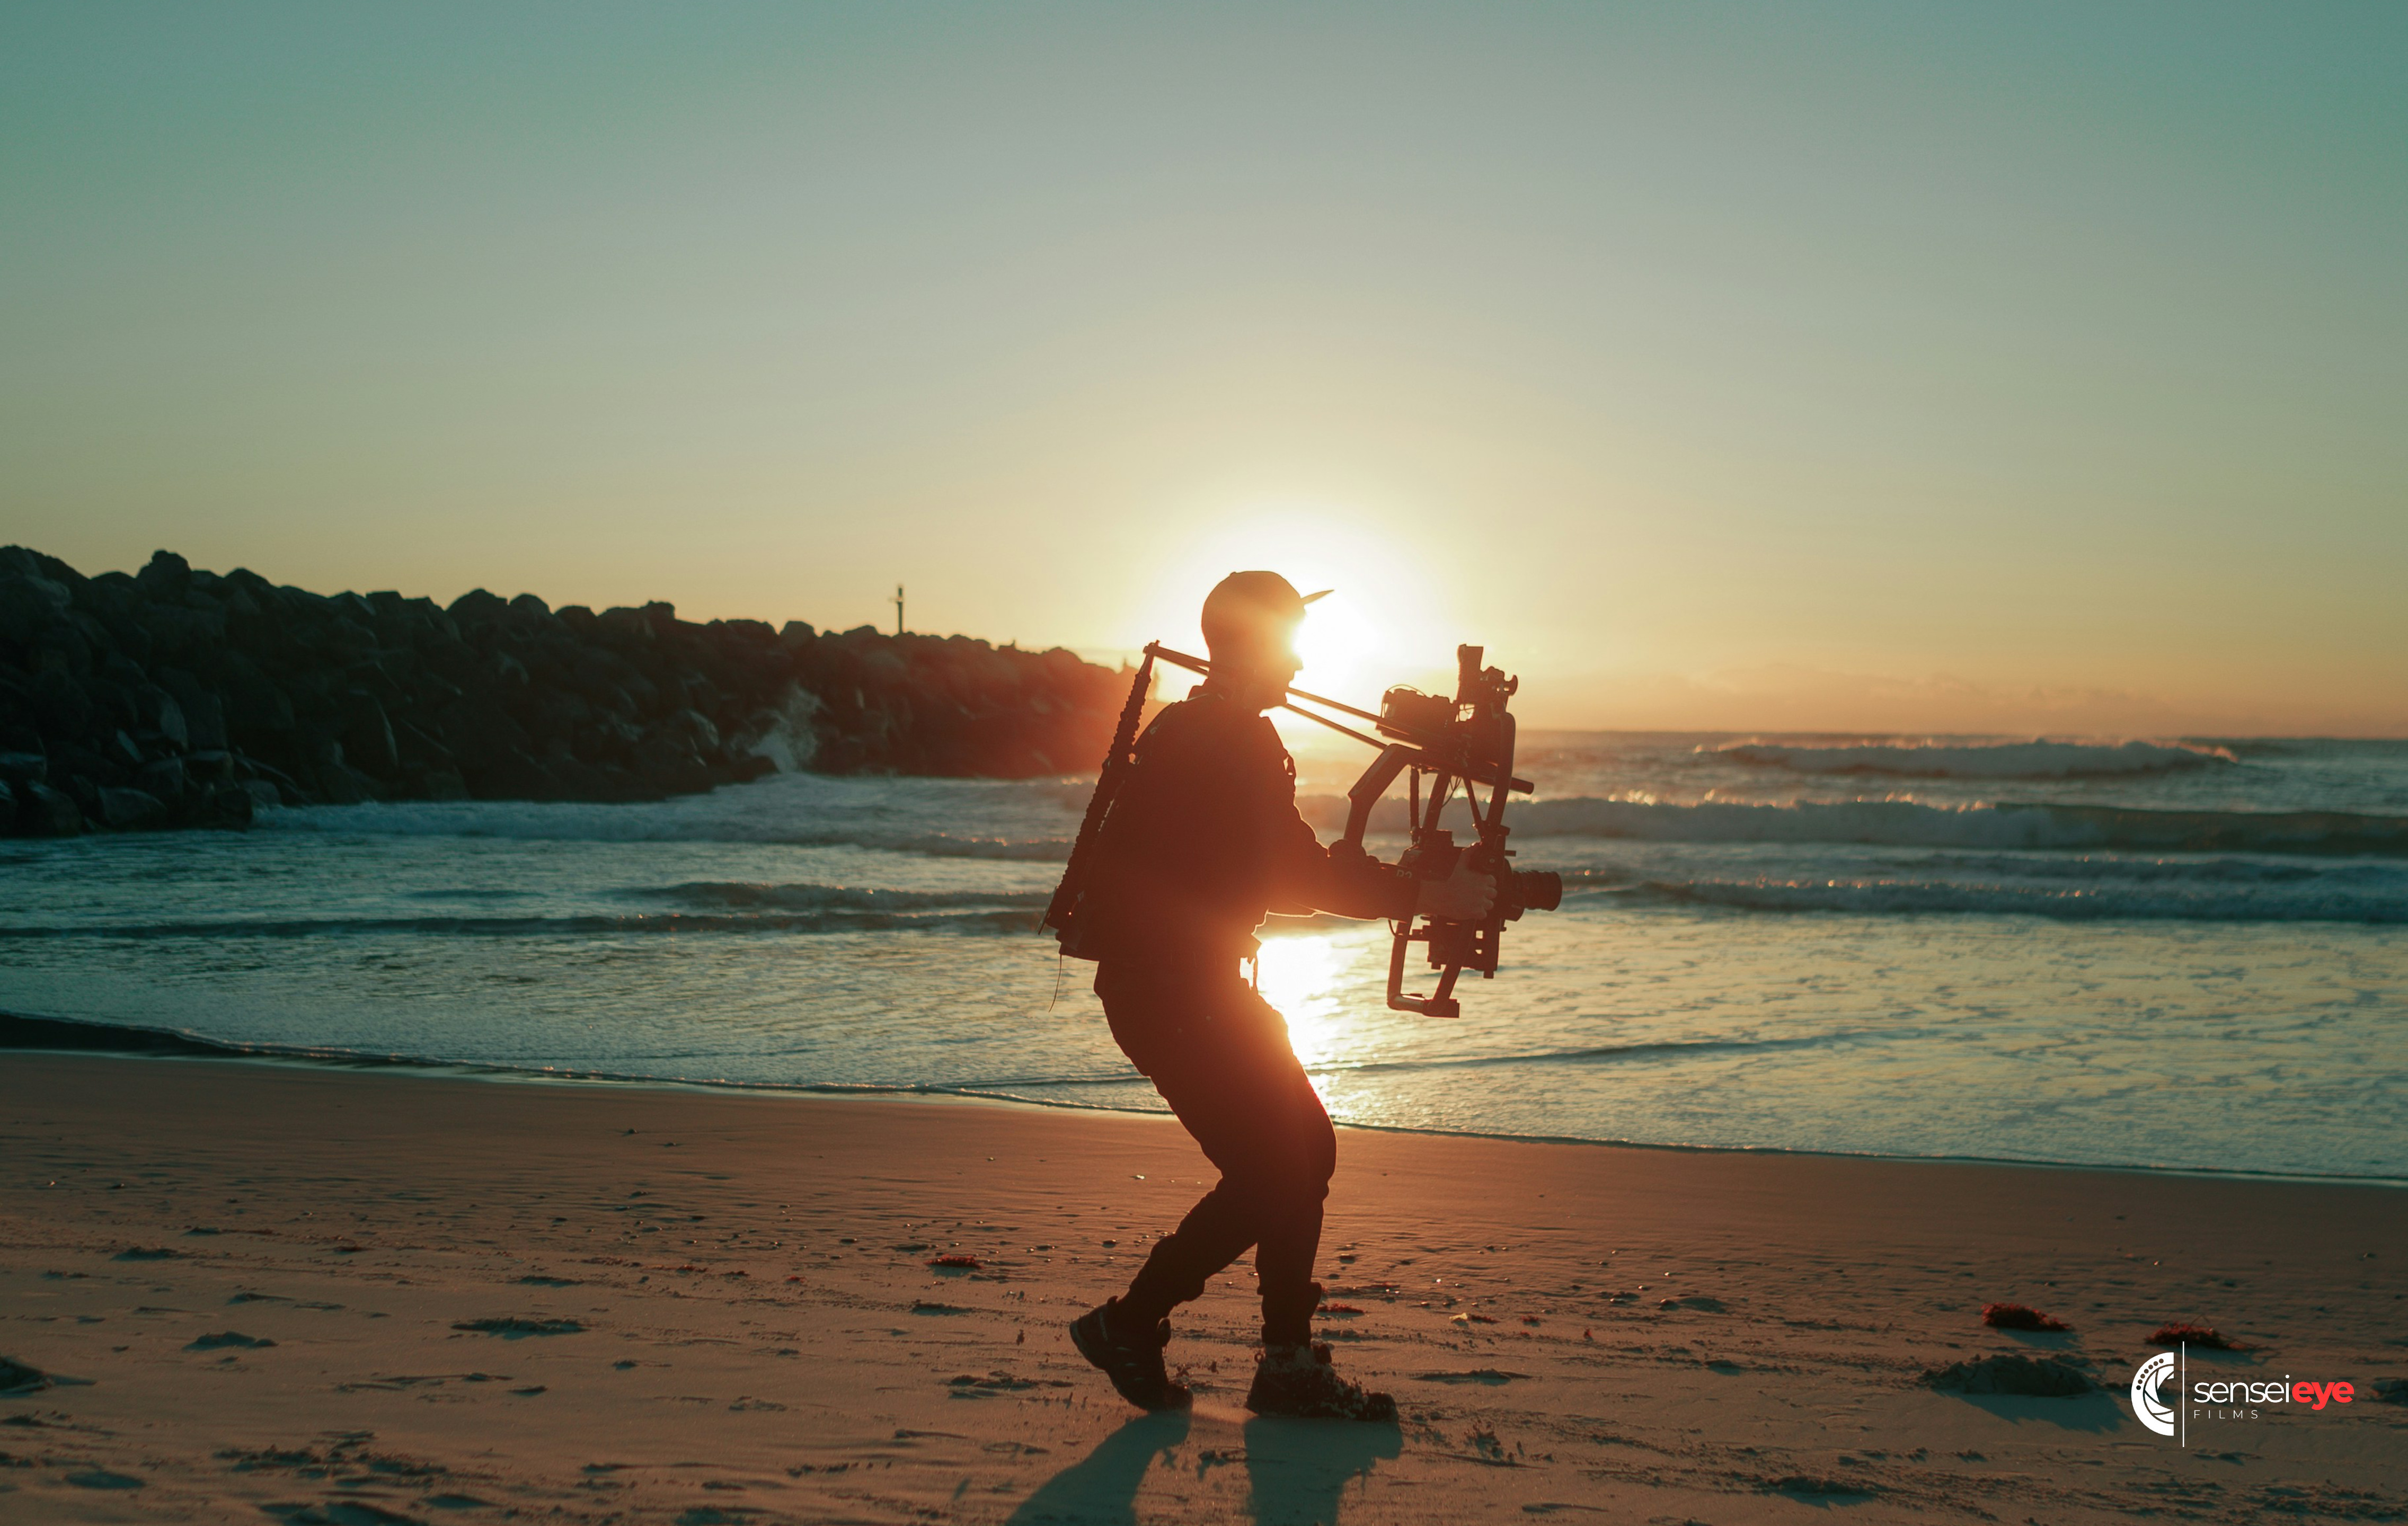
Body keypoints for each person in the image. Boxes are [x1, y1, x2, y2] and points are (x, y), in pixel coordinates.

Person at [1067, 571, 1495, 1420]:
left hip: (1182, 987)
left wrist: (1410, 890)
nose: (1299, 660)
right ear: (1255, 645)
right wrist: (1423, 896)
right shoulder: (1226, 740)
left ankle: (1232, 1348)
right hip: (1174, 992)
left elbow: (1275, 865)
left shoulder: (1208, 730)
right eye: (1289, 640)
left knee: (1303, 1153)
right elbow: (1290, 870)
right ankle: (1196, 1340)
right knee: (1279, 1168)